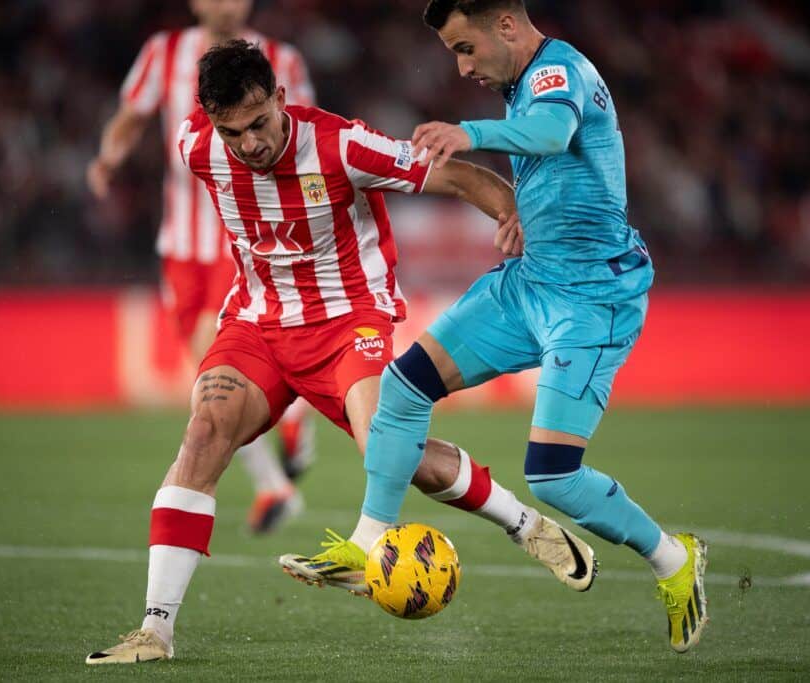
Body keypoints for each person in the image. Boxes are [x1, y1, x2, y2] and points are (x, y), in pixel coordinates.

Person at [84, 39, 570, 665]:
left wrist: (511, 213)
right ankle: (156, 631)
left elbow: (457, 175)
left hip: (348, 324)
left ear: (282, 99)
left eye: (260, 123)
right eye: (234, 132)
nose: (251, 144)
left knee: (391, 452)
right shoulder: (195, 146)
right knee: (203, 434)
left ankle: (528, 527)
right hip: (259, 324)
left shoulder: (343, 144)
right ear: (210, 121)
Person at [287, 0, 709, 655]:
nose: (461, 67)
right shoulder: (521, 81)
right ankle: (368, 545)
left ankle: (673, 559)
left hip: (592, 299)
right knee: (401, 390)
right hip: (529, 283)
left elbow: (549, 134)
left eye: (466, 48)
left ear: (507, 25)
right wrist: (524, 216)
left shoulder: (556, 71)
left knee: (553, 476)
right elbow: (554, 165)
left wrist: (469, 134)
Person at [87, 0, 316, 534]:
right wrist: (108, 156)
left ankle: (277, 476)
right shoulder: (162, 53)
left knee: (214, 360)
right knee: (204, 366)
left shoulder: (283, 59)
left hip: (241, 233)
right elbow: (130, 117)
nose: (225, 5)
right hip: (180, 240)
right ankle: (282, 457)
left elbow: (304, 135)